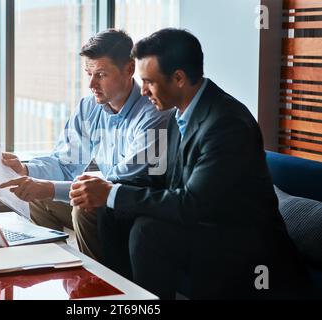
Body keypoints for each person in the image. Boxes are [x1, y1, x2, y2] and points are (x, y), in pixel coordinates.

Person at [69, 28, 311, 299]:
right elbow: (159, 178)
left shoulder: (225, 123)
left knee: (149, 231)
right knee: (108, 211)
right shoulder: (177, 114)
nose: (144, 91)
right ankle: (122, 299)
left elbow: (192, 204)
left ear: (179, 78)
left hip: (243, 242)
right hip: (205, 226)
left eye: (149, 81)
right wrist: (109, 191)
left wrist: (114, 193)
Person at [0, 29, 171, 262]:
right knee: (37, 197)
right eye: (88, 73)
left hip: (136, 206)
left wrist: (49, 187)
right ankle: (56, 268)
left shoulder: (153, 115)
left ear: (129, 69)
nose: (91, 83)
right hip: (110, 199)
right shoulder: (90, 107)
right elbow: (65, 162)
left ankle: (99, 285)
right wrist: (26, 171)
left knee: (84, 207)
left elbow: (119, 185)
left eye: (100, 74)